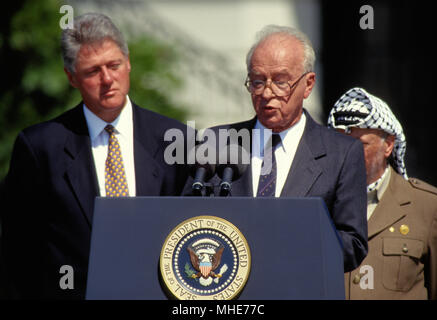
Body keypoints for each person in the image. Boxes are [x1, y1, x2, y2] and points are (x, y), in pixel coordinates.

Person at [0, 13, 189, 299]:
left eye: (113, 65)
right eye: (92, 71)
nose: (107, 79)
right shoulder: (40, 147)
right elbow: (19, 252)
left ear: (128, 61)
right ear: (71, 77)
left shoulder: (175, 139)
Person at [186, 25, 368, 273]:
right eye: (258, 81)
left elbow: (353, 245)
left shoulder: (342, 153)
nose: (267, 92)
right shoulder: (216, 142)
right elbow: (186, 221)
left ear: (308, 84)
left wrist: (282, 239)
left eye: (281, 82)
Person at [328, 87, 437, 299]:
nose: (346, 154)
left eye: (358, 145)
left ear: (388, 146)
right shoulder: (317, 202)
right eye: (339, 144)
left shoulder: (427, 206)